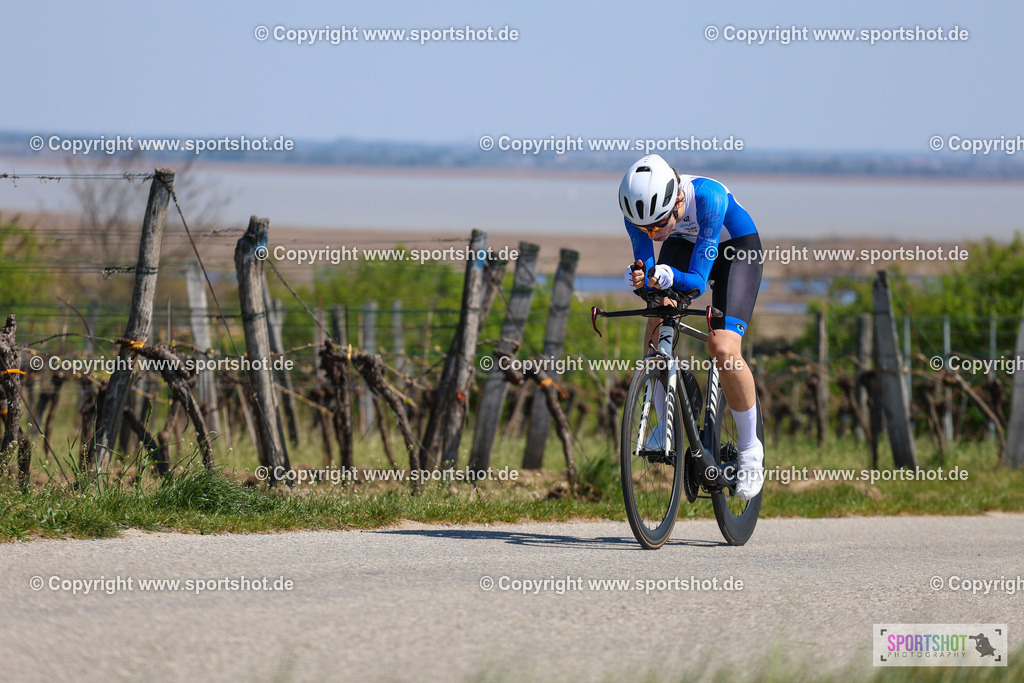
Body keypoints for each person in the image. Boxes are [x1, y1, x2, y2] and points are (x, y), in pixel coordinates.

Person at [618, 154, 765, 500]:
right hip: (685, 245)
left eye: (658, 226)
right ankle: (662, 419)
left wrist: (670, 276)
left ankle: (750, 449)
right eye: (645, 229)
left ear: (678, 200)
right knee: (657, 314)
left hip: (735, 250)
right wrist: (640, 277)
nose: (652, 234)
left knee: (723, 348)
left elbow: (697, 282)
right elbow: (649, 267)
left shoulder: (708, 197)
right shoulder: (638, 215)